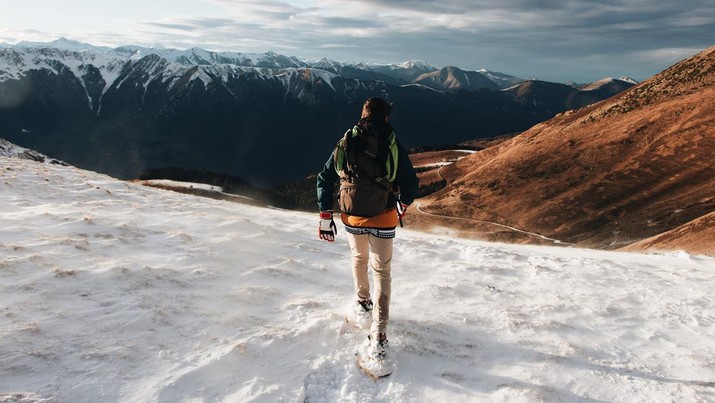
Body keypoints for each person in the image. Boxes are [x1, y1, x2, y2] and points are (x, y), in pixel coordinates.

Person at [316, 97, 418, 361]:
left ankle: (363, 302)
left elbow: (325, 177)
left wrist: (326, 213)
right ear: (386, 117)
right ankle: (380, 335)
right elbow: (410, 184)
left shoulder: (346, 141)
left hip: (352, 216)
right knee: (382, 271)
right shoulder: (392, 143)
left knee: (359, 258)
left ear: (363, 114)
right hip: (383, 217)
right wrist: (403, 204)